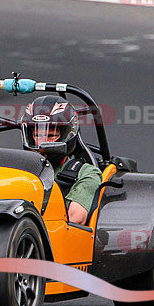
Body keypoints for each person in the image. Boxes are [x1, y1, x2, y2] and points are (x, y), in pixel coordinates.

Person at [19, 96, 102, 225]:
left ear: (67, 135)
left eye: (51, 135)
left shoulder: (86, 173)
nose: (43, 142)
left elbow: (75, 219)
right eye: (37, 135)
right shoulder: (17, 169)